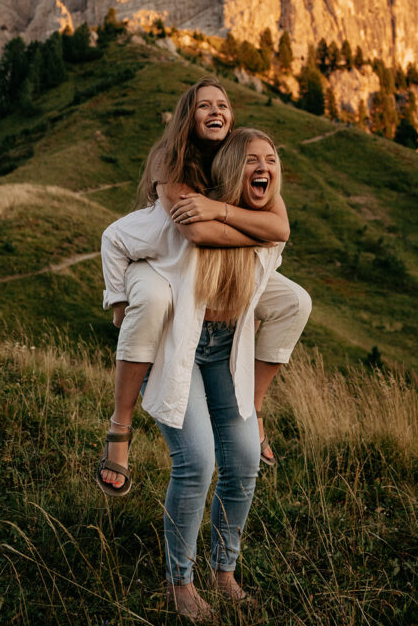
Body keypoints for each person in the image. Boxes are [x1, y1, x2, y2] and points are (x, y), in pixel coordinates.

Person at [100, 127, 288, 619]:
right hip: (180, 347)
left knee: (245, 461)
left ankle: (223, 572)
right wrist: (120, 300)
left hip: (227, 351)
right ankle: (178, 581)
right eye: (250, 161)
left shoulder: (263, 221)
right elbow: (117, 237)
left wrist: (227, 214)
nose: (263, 168)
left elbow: (279, 231)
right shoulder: (185, 216)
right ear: (229, 170)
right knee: (198, 462)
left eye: (271, 160)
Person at [97, 77, 311, 495]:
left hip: (210, 270)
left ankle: (255, 406)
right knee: (156, 301)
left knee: (295, 302)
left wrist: (220, 209)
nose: (215, 111)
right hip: (159, 259)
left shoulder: (246, 157)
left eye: (223, 105)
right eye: (203, 106)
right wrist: (118, 298)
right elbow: (195, 233)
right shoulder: (170, 158)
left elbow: (280, 227)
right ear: (186, 118)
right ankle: (120, 427)